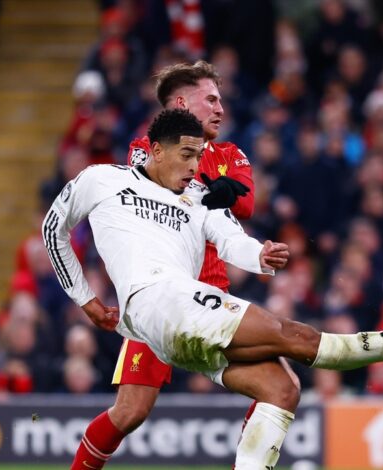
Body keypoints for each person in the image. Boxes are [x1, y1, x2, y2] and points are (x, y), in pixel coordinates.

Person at [44, 108, 383, 469]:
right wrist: (85, 299)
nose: (195, 166)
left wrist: (259, 255)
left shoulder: (198, 196)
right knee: (298, 339)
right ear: (155, 150)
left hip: (175, 323)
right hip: (155, 304)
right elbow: (53, 229)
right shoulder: (103, 179)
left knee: (282, 390)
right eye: (186, 155)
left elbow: (231, 239)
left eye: (199, 156)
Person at [70, 61, 281, 470]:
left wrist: (220, 190)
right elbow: (151, 182)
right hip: (157, 295)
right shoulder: (147, 146)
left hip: (210, 301)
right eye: (211, 99)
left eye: (221, 100)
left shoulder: (231, 153)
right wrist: (208, 184)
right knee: (131, 411)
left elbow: (248, 203)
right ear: (182, 102)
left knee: (278, 386)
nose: (221, 109)